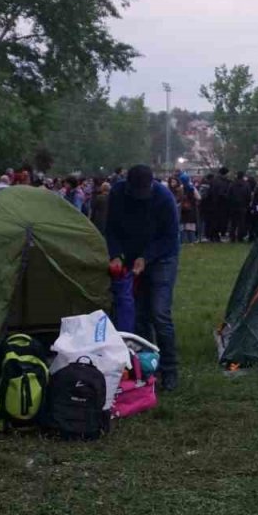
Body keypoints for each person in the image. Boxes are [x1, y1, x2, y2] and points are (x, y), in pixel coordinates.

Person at [106, 164, 181, 392]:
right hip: (130, 256)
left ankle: (169, 369)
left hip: (162, 258)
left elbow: (169, 237)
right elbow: (111, 228)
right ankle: (147, 366)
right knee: (139, 315)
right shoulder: (117, 194)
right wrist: (116, 254)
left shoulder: (164, 198)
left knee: (159, 313)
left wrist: (146, 258)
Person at [228, 172, 251, 242]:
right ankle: (240, 237)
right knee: (241, 223)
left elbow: (229, 195)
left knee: (233, 223)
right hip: (242, 206)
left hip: (233, 206)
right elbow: (248, 196)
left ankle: (232, 237)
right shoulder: (246, 185)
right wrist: (247, 204)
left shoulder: (232, 184)